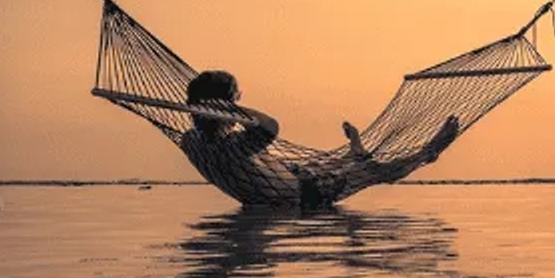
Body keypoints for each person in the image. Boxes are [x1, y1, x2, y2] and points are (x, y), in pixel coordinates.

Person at [179, 69, 459, 210]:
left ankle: (354, 154)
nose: (241, 99)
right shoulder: (235, 147)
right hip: (306, 194)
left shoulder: (191, 141)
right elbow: (270, 127)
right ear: (225, 106)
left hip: (293, 175)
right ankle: (428, 152)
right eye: (237, 97)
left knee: (335, 161)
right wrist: (234, 111)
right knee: (375, 171)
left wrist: (221, 112)